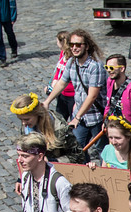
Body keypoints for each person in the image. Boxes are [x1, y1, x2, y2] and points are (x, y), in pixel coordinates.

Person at [42, 29, 106, 162]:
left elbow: (92, 96)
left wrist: (76, 117)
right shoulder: (71, 63)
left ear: (86, 46)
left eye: (78, 45)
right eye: (72, 45)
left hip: (96, 117)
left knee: (102, 151)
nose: (75, 48)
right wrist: (47, 101)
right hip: (81, 116)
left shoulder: (95, 66)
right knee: (76, 149)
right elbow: (61, 83)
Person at [15, 133, 72, 212]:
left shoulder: (59, 183)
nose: (20, 160)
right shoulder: (25, 176)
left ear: (40, 157)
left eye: (25, 156)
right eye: (19, 155)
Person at [11, 92, 84, 163]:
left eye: (27, 119)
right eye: (21, 120)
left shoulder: (60, 129)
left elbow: (77, 155)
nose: (23, 123)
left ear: (37, 114)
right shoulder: (27, 126)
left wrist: (52, 161)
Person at [94, 115, 131, 188]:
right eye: (110, 137)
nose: (113, 142)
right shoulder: (107, 150)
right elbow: (104, 176)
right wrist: (95, 169)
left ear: (128, 137)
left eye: (117, 138)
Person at [103, 54, 131, 125]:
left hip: (127, 131)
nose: (108, 70)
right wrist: (105, 121)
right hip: (113, 128)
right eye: (106, 67)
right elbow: (109, 105)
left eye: (111, 68)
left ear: (122, 68)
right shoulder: (110, 82)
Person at [49, 31, 76, 121]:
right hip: (61, 94)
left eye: (57, 41)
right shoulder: (62, 53)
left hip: (72, 95)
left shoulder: (72, 57)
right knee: (59, 121)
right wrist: (54, 81)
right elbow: (58, 70)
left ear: (61, 42)